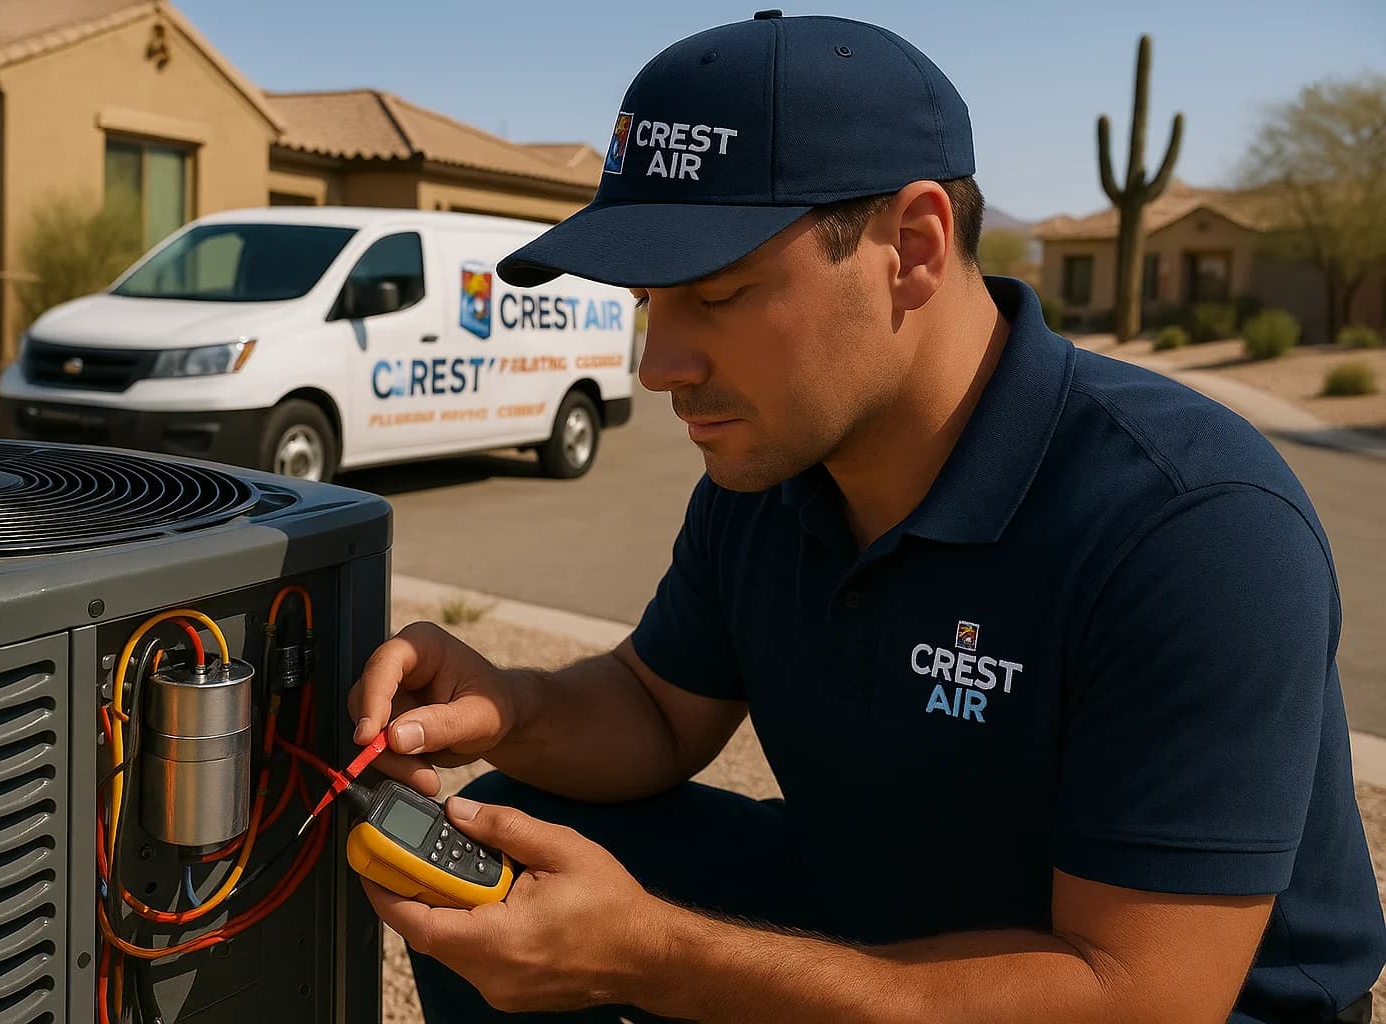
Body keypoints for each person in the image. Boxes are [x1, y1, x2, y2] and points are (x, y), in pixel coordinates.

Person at [347, 10, 1386, 1022]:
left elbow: (1142, 997)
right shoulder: (773, 474)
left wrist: (657, 959)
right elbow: (658, 709)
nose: (659, 367)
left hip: (1127, 988)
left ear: (916, 245)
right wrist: (510, 701)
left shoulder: (1189, 526)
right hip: (892, 913)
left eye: (716, 294)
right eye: (647, 303)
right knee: (517, 838)